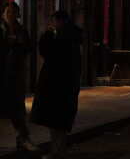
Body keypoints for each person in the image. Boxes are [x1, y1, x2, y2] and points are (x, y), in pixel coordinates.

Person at [31, 11, 82, 158]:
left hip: (57, 86)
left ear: (60, 21)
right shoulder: (71, 37)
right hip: (66, 85)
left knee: (56, 122)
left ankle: (57, 152)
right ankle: (59, 150)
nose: (53, 24)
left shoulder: (61, 38)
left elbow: (47, 52)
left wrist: (46, 36)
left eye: (54, 21)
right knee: (60, 122)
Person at [0, 2, 39, 153]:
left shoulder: (22, 31)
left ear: (18, 14)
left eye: (13, 12)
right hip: (2, 73)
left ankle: (22, 139)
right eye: (7, 12)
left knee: (16, 109)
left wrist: (17, 43)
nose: (10, 15)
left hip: (15, 75)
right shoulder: (0, 28)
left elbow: (28, 48)